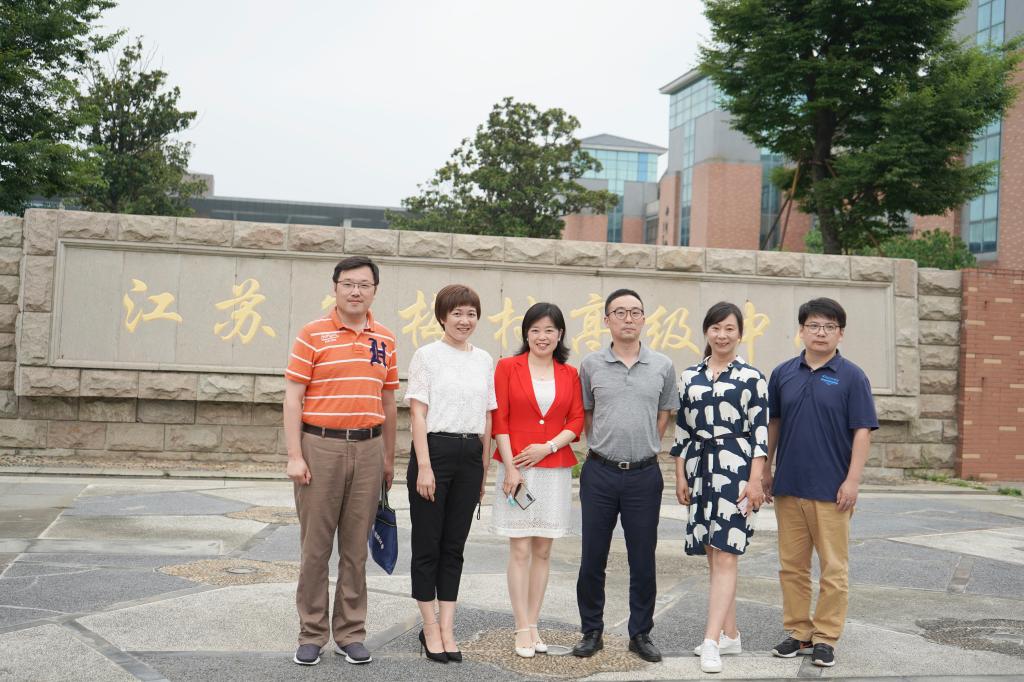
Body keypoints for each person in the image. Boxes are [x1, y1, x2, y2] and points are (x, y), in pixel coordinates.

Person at [283, 256, 398, 667]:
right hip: (320, 447)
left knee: (355, 551)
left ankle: (350, 633)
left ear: (374, 291)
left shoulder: (385, 339)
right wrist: (295, 456)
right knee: (315, 549)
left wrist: (388, 458)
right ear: (335, 287)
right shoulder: (312, 334)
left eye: (364, 284)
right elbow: (293, 398)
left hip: (368, 450)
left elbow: (388, 402)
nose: (355, 291)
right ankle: (311, 634)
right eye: (348, 283)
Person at [764, 297, 877, 669]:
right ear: (802, 330)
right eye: (814, 325)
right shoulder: (783, 373)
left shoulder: (852, 376)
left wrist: (853, 480)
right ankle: (799, 632)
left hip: (833, 491)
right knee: (792, 567)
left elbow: (862, 430)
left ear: (840, 333)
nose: (821, 332)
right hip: (788, 486)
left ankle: (826, 637)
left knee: (833, 568)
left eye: (830, 326)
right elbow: (774, 423)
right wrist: (765, 469)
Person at [572, 288, 677, 663]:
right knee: (592, 557)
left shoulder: (662, 365)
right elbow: (587, 413)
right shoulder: (591, 365)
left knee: (643, 558)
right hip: (599, 472)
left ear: (644, 319)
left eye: (635, 312)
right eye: (619, 312)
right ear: (606, 320)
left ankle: (640, 633)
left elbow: (664, 414)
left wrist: (645, 444)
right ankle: (591, 630)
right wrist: (604, 444)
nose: (628, 318)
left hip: (644, 476)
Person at [670, 301, 769, 674]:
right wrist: (680, 475)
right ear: (706, 332)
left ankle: (711, 641)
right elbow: (682, 430)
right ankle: (730, 634)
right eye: (716, 328)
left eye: (729, 328)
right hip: (699, 469)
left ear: (740, 333)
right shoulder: (690, 376)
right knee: (713, 552)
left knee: (727, 553)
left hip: (736, 471)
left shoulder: (752, 377)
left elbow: (760, 434)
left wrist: (756, 480)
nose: (722, 335)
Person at [405, 284, 495, 664]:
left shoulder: (484, 359)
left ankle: (447, 627)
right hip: (435, 453)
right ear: (442, 317)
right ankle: (429, 627)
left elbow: (488, 416)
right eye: (457, 313)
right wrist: (424, 467)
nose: (464, 320)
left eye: (471, 313)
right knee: (428, 544)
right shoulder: (427, 356)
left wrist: (483, 471)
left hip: (470, 456)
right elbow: (418, 413)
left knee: (454, 547)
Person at [490, 302, 584, 658]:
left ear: (559, 335)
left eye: (549, 330)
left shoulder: (569, 374)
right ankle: (521, 627)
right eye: (535, 330)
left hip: (553, 467)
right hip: (517, 468)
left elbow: (576, 420)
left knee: (543, 550)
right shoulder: (507, 367)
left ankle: (534, 623)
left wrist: (548, 446)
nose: (542, 337)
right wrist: (511, 468)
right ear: (526, 334)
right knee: (519, 549)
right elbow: (499, 419)